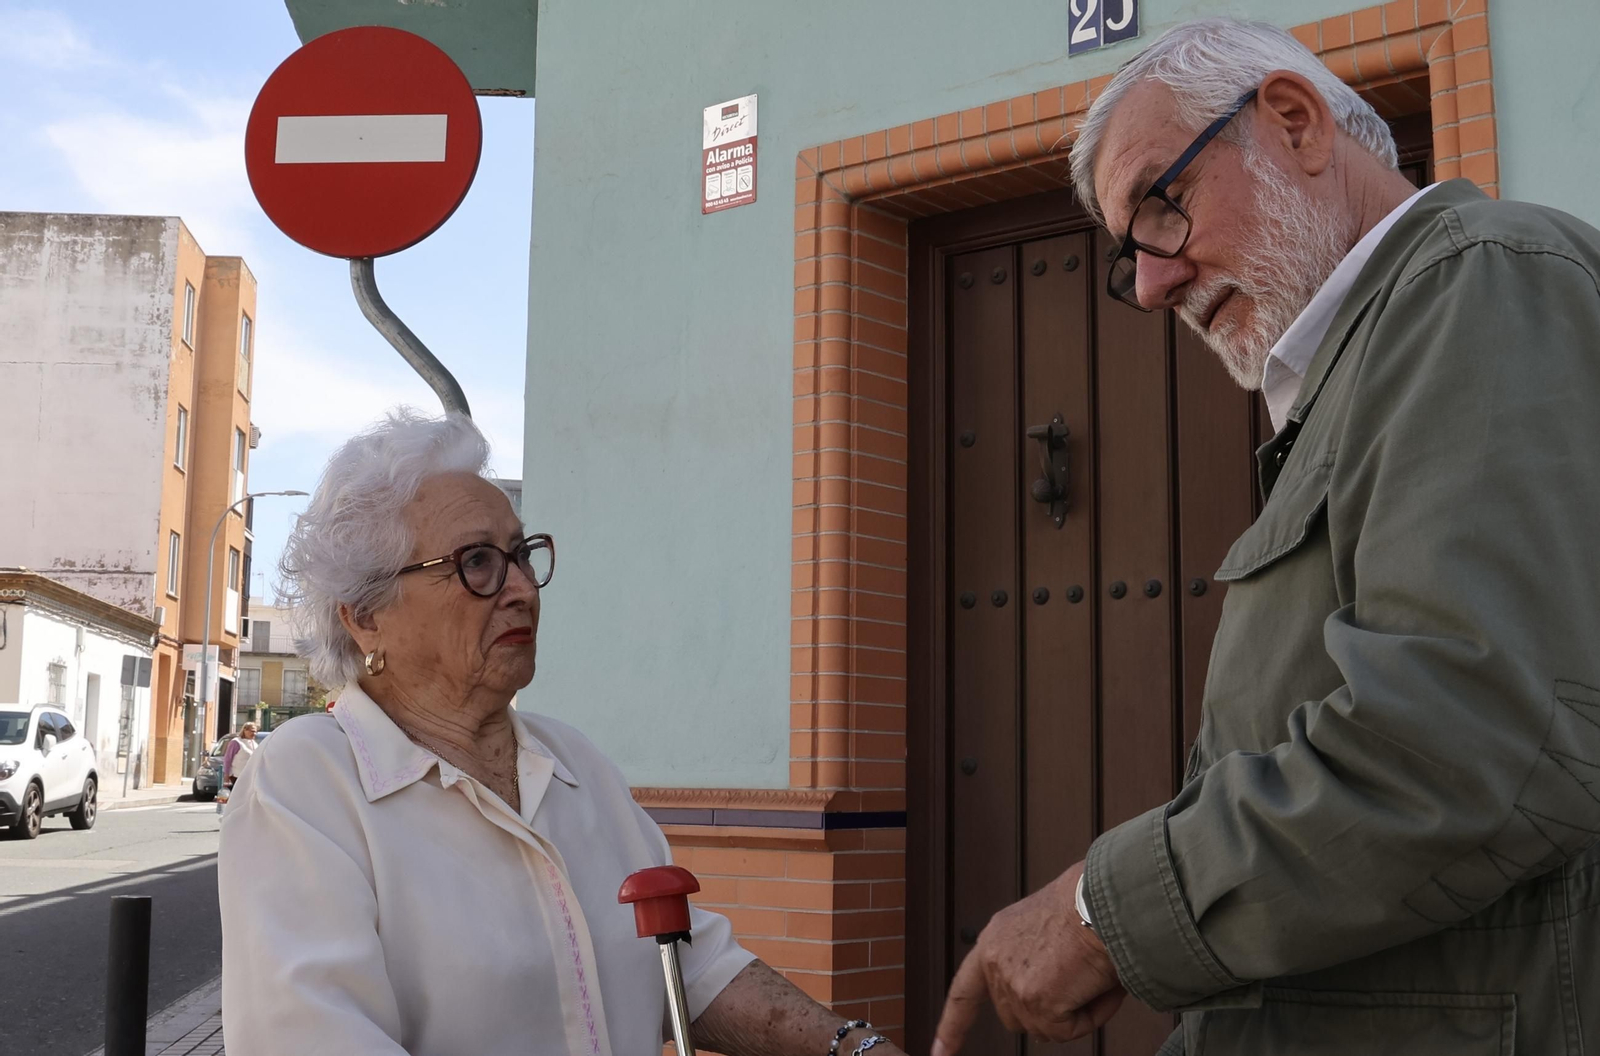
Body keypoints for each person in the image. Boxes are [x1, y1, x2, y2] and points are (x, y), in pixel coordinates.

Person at [933, 17, 1600, 1056]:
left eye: (1160, 206)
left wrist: (1101, 915)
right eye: (1128, 255)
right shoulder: (1373, 354)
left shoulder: (1480, 283)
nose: (1150, 286)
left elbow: (1470, 739)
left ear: (1293, 123)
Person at [219, 410, 906, 1056]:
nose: (522, 588)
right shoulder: (307, 783)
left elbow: (687, 965)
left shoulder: (572, 762)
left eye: (521, 554)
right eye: (477, 562)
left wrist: (853, 1047)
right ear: (366, 616)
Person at [217, 722, 258, 816]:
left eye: (255, 732)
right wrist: (226, 775)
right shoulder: (236, 742)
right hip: (237, 775)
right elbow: (228, 759)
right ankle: (231, 815)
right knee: (238, 797)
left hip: (250, 775)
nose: (254, 734)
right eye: (252, 731)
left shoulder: (254, 743)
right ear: (245, 730)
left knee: (247, 798)